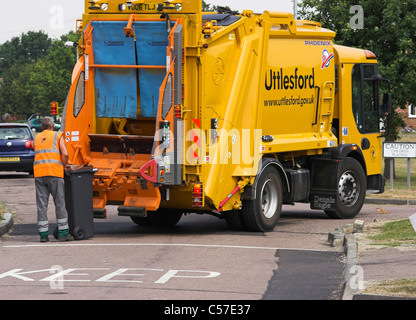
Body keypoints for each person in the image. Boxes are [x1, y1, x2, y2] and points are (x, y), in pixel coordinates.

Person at [33, 117, 73, 242]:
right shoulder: (57, 135)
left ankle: (43, 235)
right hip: (54, 173)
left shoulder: (37, 138)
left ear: (41, 127)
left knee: (42, 206)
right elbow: (65, 154)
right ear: (52, 126)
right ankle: (63, 233)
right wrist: (64, 166)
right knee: (60, 203)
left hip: (39, 174)